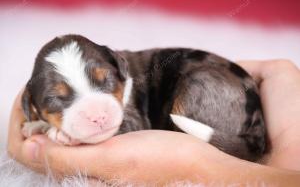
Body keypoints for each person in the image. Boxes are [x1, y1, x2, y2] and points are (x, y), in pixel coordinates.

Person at [7, 59, 300, 186]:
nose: (97, 114)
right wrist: (289, 146)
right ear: (31, 106)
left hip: (216, 98)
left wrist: (204, 169)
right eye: (60, 99)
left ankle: (234, 144)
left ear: (118, 67)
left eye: (104, 83)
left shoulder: (135, 84)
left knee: (200, 87)